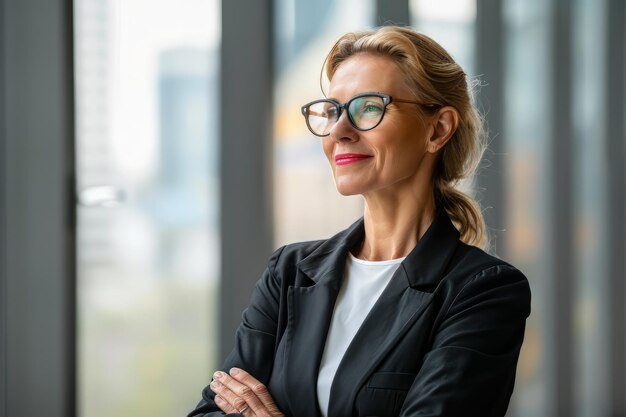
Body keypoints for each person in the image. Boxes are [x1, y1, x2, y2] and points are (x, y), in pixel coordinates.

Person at [188, 26, 531, 417]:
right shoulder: (290, 272)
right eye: (332, 111)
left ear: (437, 129)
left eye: (368, 107)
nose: (339, 131)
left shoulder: (483, 291)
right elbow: (210, 411)